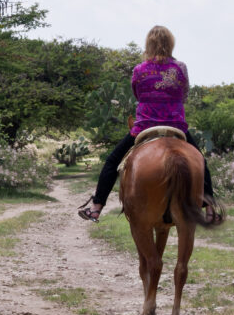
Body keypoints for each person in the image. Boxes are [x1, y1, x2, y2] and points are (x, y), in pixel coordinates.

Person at [77, 25, 215, 223]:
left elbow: (137, 94)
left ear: (148, 44)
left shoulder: (139, 70)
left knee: (112, 162)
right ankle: (210, 207)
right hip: (176, 125)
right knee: (201, 162)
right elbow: (184, 94)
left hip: (144, 126)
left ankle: (97, 207)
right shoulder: (181, 68)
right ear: (171, 44)